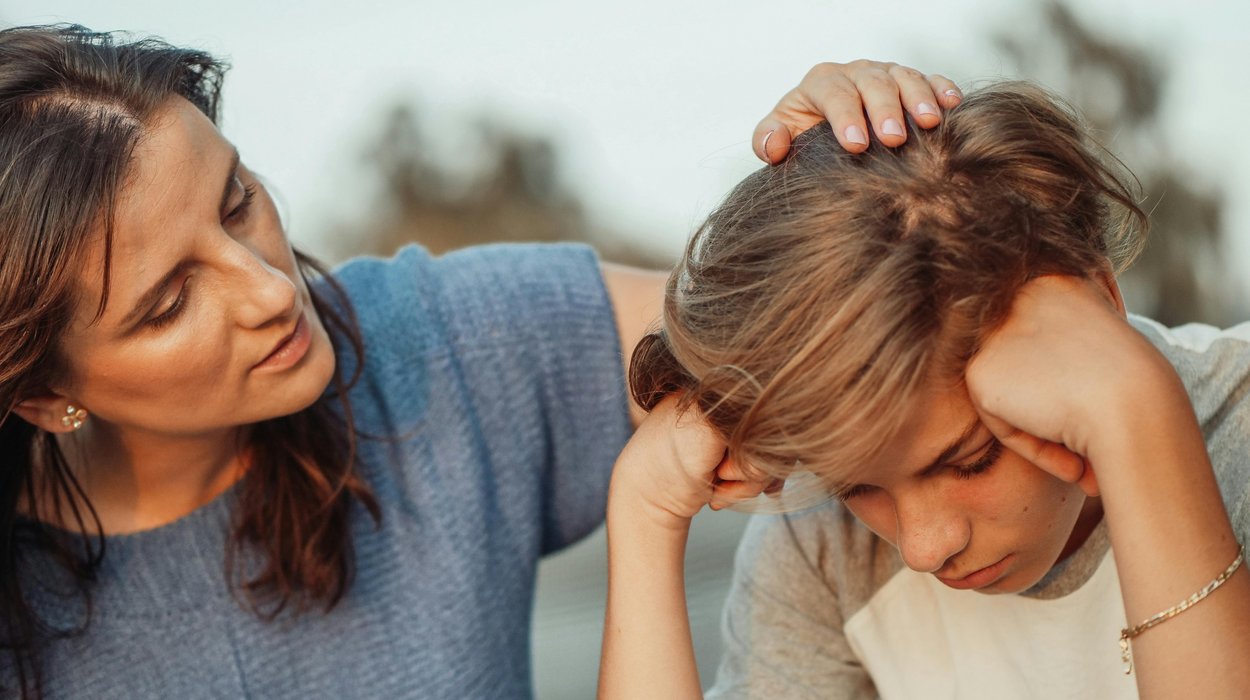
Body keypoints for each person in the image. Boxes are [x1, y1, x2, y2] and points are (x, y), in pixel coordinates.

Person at [0, 23, 963, 699]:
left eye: (238, 200)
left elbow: (816, 322)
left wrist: (855, 181)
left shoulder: (446, 343)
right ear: (45, 396)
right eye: (170, 303)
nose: (270, 291)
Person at [599, 81, 1250, 699]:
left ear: (1102, 306)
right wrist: (643, 513)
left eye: (970, 460)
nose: (923, 546)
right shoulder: (824, 548)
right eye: (855, 486)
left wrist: (1136, 413)